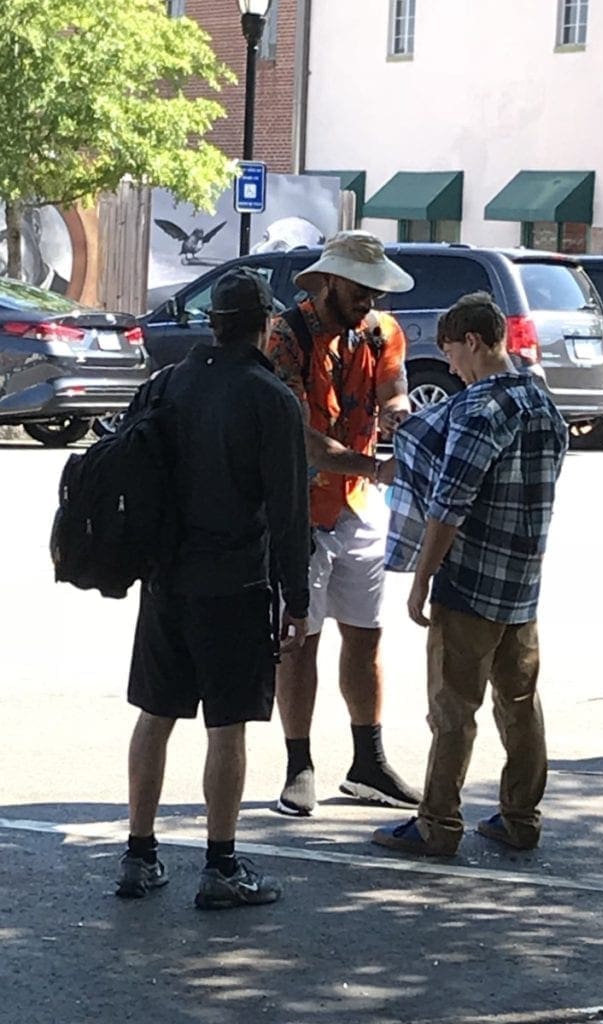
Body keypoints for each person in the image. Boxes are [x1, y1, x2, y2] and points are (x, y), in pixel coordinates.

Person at [116, 267, 310, 907]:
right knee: (227, 723)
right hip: (233, 581)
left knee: (157, 713)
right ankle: (221, 866)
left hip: (165, 578)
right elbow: (287, 512)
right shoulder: (271, 398)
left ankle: (139, 856)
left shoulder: (168, 384)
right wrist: (297, 600)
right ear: (264, 324)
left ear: (213, 322)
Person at [373, 292, 568, 857]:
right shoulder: (541, 399)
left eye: (453, 352)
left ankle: (437, 823)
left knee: (453, 709)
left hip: (472, 582)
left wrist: (420, 578)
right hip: (523, 581)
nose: (450, 365)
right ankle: (521, 817)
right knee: (520, 703)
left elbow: (448, 506)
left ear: (474, 342)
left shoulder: (480, 411)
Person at [266, 230, 422, 816]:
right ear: (331, 280)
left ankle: (367, 762)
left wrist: (405, 424)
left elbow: (395, 396)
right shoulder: (287, 334)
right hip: (301, 508)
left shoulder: (382, 331)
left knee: (366, 633)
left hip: (357, 503)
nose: (371, 299)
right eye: (362, 287)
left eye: (377, 289)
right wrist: (372, 466)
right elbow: (298, 439)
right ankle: (298, 763)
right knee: (299, 641)